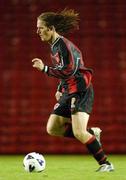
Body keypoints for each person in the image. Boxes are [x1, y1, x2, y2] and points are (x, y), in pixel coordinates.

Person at [32, 9, 114, 172]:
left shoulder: (63, 45)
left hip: (80, 90)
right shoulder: (54, 46)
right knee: (53, 128)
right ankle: (91, 134)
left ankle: (106, 164)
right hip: (69, 89)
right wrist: (60, 87)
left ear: (51, 28)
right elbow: (64, 69)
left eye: (40, 28)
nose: (38, 31)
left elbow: (69, 70)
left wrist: (44, 69)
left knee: (78, 132)